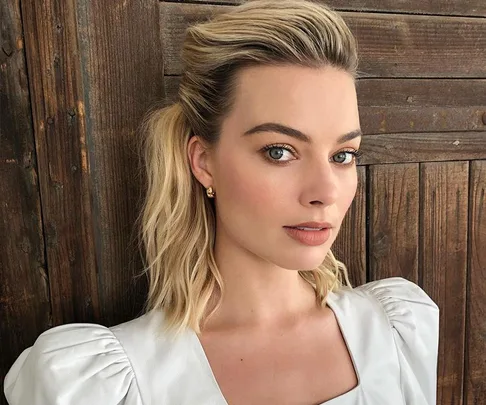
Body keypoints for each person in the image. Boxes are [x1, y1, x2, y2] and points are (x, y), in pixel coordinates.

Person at [3, 0, 439, 404]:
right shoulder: (100, 385)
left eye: (342, 156)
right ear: (204, 161)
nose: (324, 192)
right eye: (279, 151)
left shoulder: (397, 333)